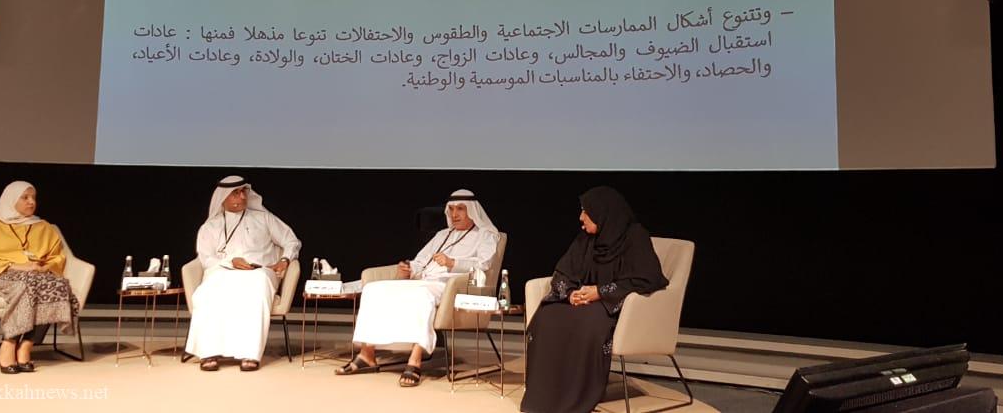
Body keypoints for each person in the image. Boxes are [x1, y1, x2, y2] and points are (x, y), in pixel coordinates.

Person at [520, 186, 669, 413]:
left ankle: (575, 396)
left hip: (614, 306)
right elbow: (563, 272)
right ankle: (543, 396)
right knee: (548, 316)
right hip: (584, 300)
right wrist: (570, 293)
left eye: (586, 211)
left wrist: (601, 292)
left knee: (587, 322)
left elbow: (647, 279)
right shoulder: (586, 239)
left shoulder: (634, 237)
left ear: (603, 212)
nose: (581, 217)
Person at [337, 189, 499, 387]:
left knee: (422, 295)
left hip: (451, 285)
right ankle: (366, 354)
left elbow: (485, 265)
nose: (454, 214)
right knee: (373, 289)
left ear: (472, 211)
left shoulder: (486, 235)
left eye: (460, 209)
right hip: (425, 281)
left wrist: (453, 263)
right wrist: (409, 269)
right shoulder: (442, 235)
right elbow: (420, 261)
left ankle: (415, 360)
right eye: (451, 209)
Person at [186, 175, 301, 371]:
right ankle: (209, 352)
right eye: (236, 193)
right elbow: (206, 259)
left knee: (257, 287)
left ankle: (250, 354)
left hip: (258, 272)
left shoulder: (263, 218)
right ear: (223, 197)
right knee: (206, 293)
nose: (242, 196)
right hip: (222, 272)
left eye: (244, 192)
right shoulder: (209, 227)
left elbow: (291, 240)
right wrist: (231, 262)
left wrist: (285, 259)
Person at [0, 181, 80, 374]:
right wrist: (18, 266)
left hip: (36, 275)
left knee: (57, 284)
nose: (31, 202)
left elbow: (57, 256)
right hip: (2, 275)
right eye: (25, 198)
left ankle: (27, 345)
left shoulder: (44, 227)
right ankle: (9, 342)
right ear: (10, 200)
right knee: (27, 284)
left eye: (33, 198)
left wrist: (44, 267)